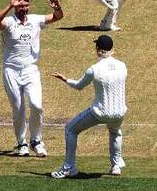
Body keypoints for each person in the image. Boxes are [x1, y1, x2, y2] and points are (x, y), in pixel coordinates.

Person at [0, 0, 64, 156]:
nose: (23, 8)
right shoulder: (9, 22)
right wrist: (10, 6)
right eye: (20, 6)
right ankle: (21, 143)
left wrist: (58, 7)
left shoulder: (35, 20)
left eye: (25, 5)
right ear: (16, 7)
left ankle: (36, 141)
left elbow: (58, 17)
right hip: (11, 70)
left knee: (37, 105)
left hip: (30, 70)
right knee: (18, 109)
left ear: (29, 6)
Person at [49, 35, 128, 178]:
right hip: (119, 111)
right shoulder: (122, 66)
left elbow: (79, 86)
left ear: (98, 50)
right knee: (115, 132)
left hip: (100, 112)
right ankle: (116, 165)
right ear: (112, 50)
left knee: (70, 129)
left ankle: (69, 167)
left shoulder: (94, 69)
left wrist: (65, 79)